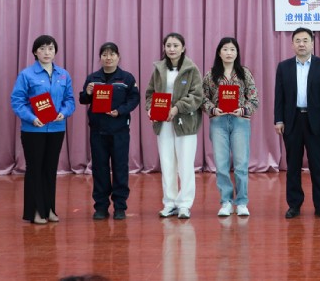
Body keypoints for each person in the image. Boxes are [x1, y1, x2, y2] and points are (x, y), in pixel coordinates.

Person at [10, 35, 76, 224]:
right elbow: (17, 101)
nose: (47, 52)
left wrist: (63, 113)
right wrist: (32, 118)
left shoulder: (63, 74)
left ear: (55, 52)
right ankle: (35, 211)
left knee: (50, 169)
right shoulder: (27, 75)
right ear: (35, 52)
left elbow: (70, 100)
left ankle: (50, 209)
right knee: (35, 169)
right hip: (33, 130)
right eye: (42, 48)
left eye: (50, 48)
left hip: (56, 128)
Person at [274, 28, 320, 219]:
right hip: (292, 121)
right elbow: (279, 96)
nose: (301, 44)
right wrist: (278, 119)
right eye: (298, 41)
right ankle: (294, 205)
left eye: (305, 40)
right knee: (293, 166)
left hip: (315, 122)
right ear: (292, 44)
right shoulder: (283, 67)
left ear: (312, 43)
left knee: (317, 166)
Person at [79, 42, 140, 221]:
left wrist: (119, 111)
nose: (108, 58)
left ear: (118, 57)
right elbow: (83, 100)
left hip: (119, 130)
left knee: (120, 168)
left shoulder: (126, 78)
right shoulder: (93, 78)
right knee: (100, 169)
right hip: (98, 131)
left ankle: (120, 206)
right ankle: (101, 206)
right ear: (100, 58)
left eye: (112, 54)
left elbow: (134, 99)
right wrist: (87, 92)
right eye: (104, 54)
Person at [145, 33, 203, 220]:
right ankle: (169, 203)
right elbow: (150, 93)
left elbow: (197, 96)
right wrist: (151, 109)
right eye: (168, 45)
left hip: (185, 123)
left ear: (183, 48)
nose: (171, 49)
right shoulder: (158, 69)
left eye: (175, 45)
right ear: (164, 47)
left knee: (185, 165)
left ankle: (184, 204)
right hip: (163, 123)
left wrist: (177, 108)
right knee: (167, 163)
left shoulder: (191, 68)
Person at [202, 37, 259, 217]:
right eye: (225, 49)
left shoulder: (244, 73)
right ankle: (226, 201)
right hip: (218, 122)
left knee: (241, 164)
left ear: (237, 53)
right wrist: (213, 109)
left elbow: (254, 99)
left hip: (240, 121)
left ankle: (241, 202)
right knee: (221, 164)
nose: (229, 53)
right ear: (219, 53)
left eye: (232, 49)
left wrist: (244, 109)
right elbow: (202, 98)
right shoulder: (211, 75)